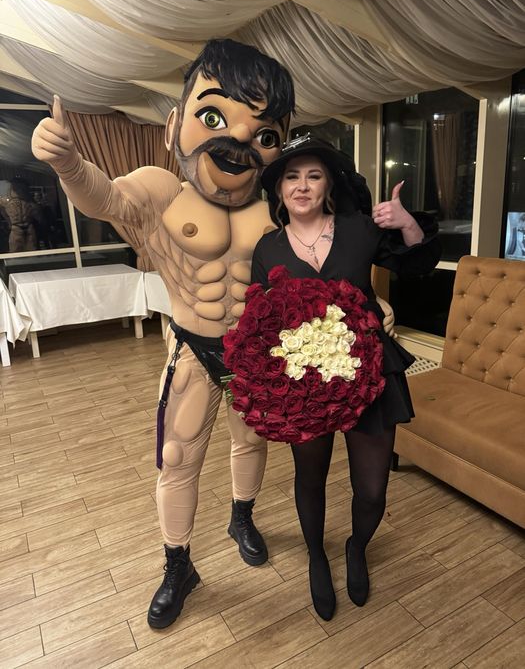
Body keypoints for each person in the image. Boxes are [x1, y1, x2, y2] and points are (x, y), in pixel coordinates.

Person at [31, 38, 295, 629]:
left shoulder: (278, 206)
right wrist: (69, 164)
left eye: (264, 133)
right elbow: (104, 197)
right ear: (175, 124)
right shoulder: (161, 191)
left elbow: (314, 264)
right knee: (177, 460)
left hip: (255, 351)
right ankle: (179, 565)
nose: (239, 140)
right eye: (213, 116)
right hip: (194, 349)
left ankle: (242, 518)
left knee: (252, 443)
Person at [252, 136, 440, 620]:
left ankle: (357, 547)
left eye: (313, 176)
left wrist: (408, 224)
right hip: (305, 384)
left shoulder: (359, 229)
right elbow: (264, 319)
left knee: (373, 489)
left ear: (328, 186)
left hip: (370, 371)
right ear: (279, 190)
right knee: (309, 476)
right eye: (292, 177)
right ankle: (317, 556)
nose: (302, 186)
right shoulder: (268, 248)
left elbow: (417, 266)